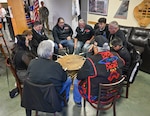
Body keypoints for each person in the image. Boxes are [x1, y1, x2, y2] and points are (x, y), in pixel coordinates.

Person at [73, 35, 125, 106]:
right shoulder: (116, 55)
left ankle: (78, 102)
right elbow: (123, 64)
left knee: (76, 80)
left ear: (96, 47)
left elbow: (80, 76)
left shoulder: (91, 61)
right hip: (115, 92)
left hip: (96, 96)